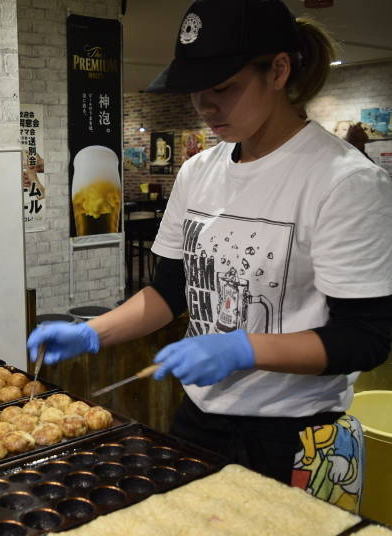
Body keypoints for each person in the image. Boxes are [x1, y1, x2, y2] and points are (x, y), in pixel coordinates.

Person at [27, 0, 392, 512]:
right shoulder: (199, 171)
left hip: (293, 434)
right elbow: (170, 291)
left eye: (222, 87)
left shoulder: (343, 183)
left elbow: (364, 339)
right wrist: (94, 332)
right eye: (195, 88)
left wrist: (244, 348)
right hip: (200, 417)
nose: (203, 104)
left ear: (279, 70)